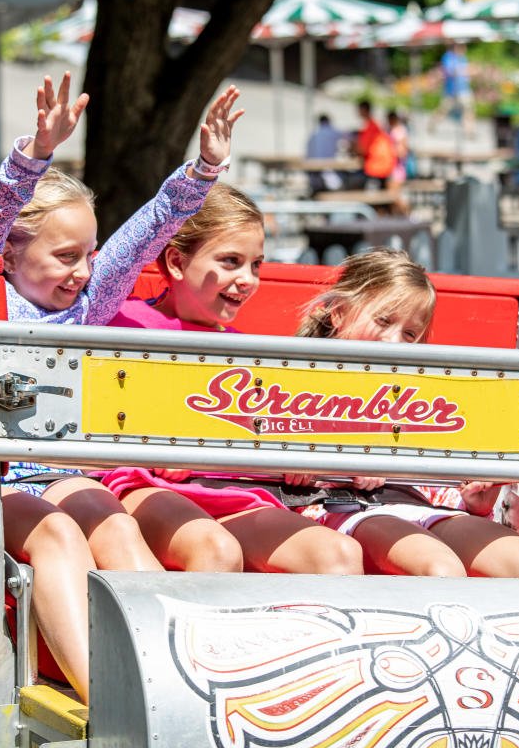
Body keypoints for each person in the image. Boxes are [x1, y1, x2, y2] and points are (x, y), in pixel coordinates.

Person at [0, 72, 243, 702]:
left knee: (112, 523)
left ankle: (174, 683)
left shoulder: (82, 305)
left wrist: (204, 168)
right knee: (56, 535)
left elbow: (147, 231)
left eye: (88, 255)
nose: (83, 272)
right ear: (12, 258)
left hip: (56, 471)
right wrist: (33, 157)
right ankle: (106, 698)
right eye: (65, 257)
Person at [100, 186, 364, 576]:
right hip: (146, 486)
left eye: (255, 265)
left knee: (337, 554)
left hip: (231, 491)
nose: (247, 279)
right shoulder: (123, 322)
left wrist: (297, 457)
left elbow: (271, 431)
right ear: (175, 261)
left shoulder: (248, 355)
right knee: (215, 549)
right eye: (230, 262)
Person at [291, 248, 519, 579]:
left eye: (409, 334)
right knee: (438, 569)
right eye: (383, 321)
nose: (395, 343)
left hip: (422, 507)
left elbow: (440, 488)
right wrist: (321, 461)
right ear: (338, 314)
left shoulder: (424, 396)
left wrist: (477, 502)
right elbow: (260, 463)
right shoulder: (299, 384)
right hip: (343, 506)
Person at [355, 100, 396, 188]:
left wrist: (353, 148)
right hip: (381, 167)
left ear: (364, 110)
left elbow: (364, 149)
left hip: (376, 168)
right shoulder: (373, 125)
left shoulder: (371, 126)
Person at [440, 43, 474, 136]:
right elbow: (450, 72)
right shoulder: (448, 57)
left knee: (468, 110)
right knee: (444, 111)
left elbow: (467, 73)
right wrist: (463, 70)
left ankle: (468, 131)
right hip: (451, 91)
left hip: (464, 89)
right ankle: (432, 124)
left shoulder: (463, 58)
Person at [305, 114, 345, 193]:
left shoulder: (313, 135)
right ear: (329, 121)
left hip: (315, 172)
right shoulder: (333, 131)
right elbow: (348, 138)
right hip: (328, 171)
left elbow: (307, 155)